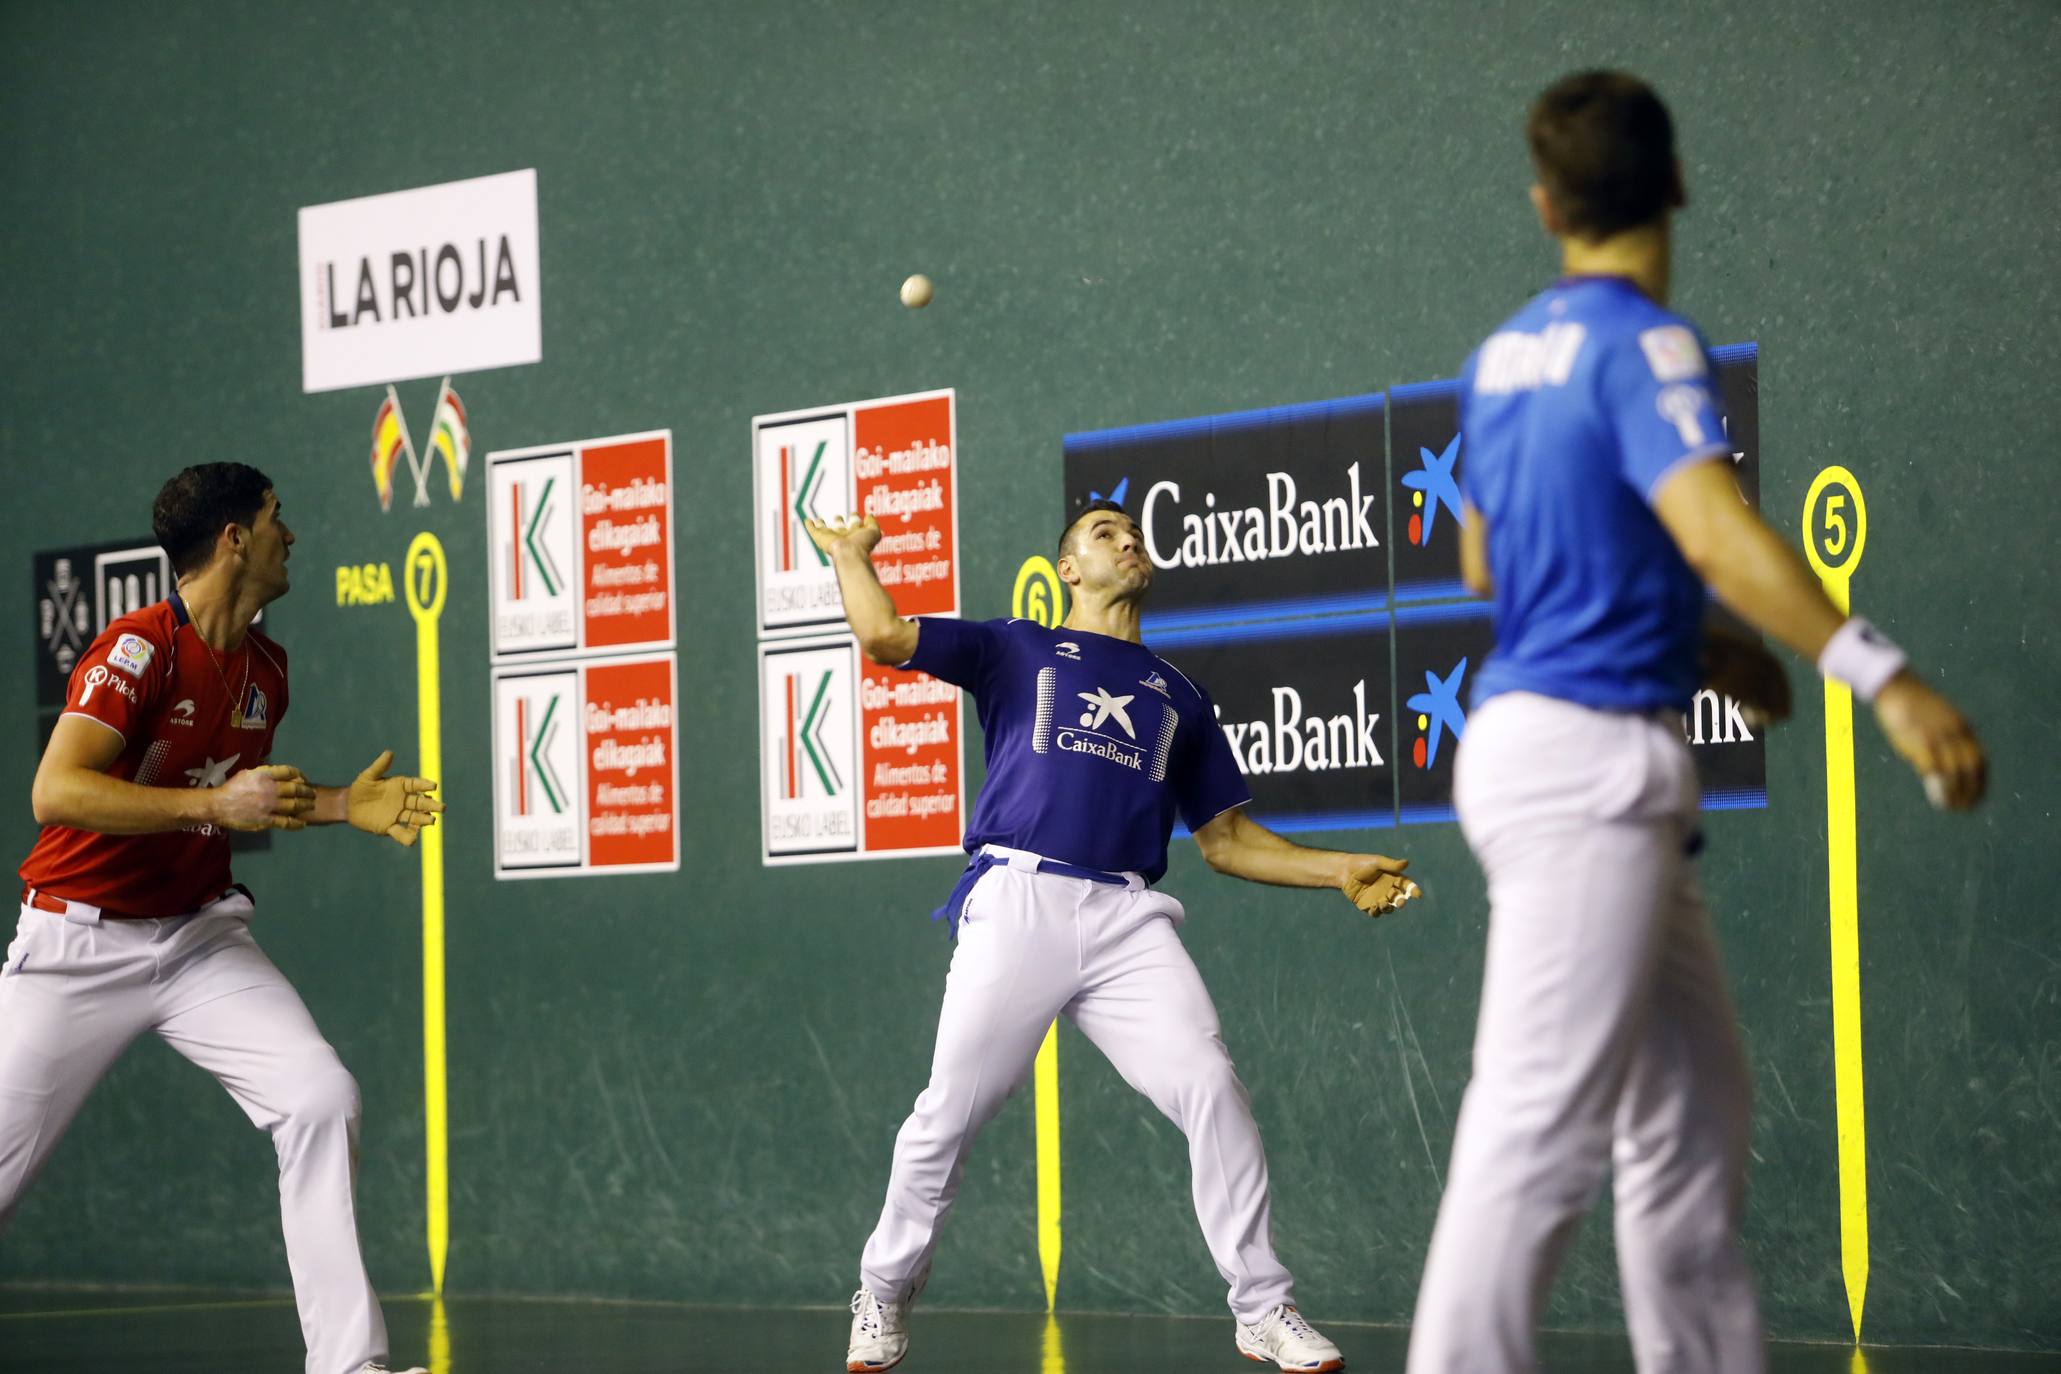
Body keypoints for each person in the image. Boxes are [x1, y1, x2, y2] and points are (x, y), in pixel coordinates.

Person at [1404, 71, 1987, 1374]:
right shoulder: (1645, 346)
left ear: (1545, 203)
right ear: (1675, 181)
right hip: (1585, 768)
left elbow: (1486, 567)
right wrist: (1882, 675)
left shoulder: (1499, 362)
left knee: (1689, 1119)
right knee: (1537, 1133)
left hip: (1570, 760)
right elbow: (1714, 530)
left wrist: (1704, 642)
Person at [814, 500, 1421, 1374]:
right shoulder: (1012, 646)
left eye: (1134, 535)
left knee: (1210, 1085)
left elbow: (1227, 842)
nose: (1128, 542)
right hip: (1018, 897)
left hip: (1127, 918)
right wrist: (848, 555)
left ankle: (1262, 1307)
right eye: (1105, 535)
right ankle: (882, 1288)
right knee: (950, 1112)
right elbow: (883, 637)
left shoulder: (1181, 695)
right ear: (1066, 567)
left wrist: (1335, 869)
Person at [2, 463, 445, 1374]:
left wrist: (335, 806)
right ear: (234, 538)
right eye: (278, 518)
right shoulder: (137, 649)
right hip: (77, 944)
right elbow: (58, 790)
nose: (294, 535)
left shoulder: (266, 670)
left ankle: (348, 1366)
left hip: (198, 940)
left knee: (321, 1097)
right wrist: (213, 811)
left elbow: (234, 797)